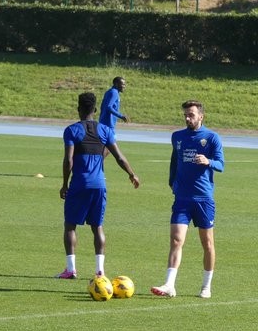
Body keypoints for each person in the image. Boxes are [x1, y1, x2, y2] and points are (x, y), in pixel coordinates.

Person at [56, 92, 139, 279]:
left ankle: (71, 270)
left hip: (79, 184)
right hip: (99, 185)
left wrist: (64, 184)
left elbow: (68, 161)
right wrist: (132, 174)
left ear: (78, 109)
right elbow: (119, 156)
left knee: (70, 226)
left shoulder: (71, 131)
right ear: (95, 110)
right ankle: (100, 271)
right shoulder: (105, 131)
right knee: (97, 227)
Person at [151, 100, 224, 299]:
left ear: (201, 116)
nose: (187, 118)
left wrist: (208, 161)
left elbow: (221, 164)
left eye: (191, 114)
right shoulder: (177, 136)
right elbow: (175, 159)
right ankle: (169, 284)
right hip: (182, 198)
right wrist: (171, 181)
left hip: (203, 199)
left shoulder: (211, 138)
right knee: (176, 240)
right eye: (185, 114)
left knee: (207, 243)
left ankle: (206, 286)